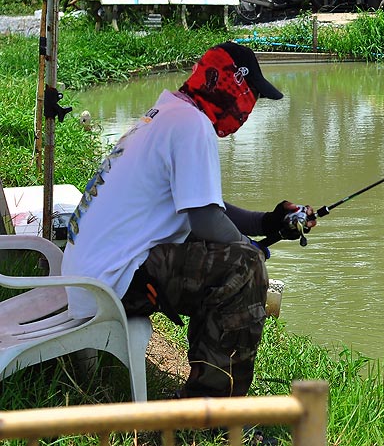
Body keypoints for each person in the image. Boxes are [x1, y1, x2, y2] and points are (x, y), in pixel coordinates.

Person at [62, 41, 315, 398]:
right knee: (245, 268)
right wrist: (252, 249)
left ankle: (207, 387)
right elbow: (208, 221)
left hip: (91, 275)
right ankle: (209, 411)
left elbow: (205, 207)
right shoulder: (191, 124)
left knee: (230, 255)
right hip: (108, 284)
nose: (249, 109)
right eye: (252, 96)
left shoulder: (169, 113)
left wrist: (267, 223)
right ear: (233, 86)